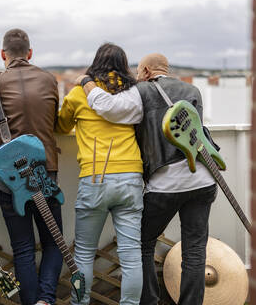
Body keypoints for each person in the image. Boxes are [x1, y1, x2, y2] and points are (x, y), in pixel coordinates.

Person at [79, 53, 217, 305]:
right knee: (194, 249)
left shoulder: (141, 91)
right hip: (204, 179)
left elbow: (109, 109)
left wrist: (87, 82)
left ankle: (149, 301)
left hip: (166, 182)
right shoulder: (192, 89)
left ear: (144, 70)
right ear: (167, 69)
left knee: (141, 244)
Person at [56, 43, 144, 305]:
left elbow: (61, 126)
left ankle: (79, 302)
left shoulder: (79, 94)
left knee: (83, 254)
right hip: (130, 176)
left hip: (95, 177)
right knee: (131, 255)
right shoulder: (132, 92)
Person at [0, 28, 62, 305]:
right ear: (30, 53)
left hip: (8, 177)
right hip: (45, 171)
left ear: (3, 54)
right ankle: (46, 300)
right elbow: (52, 121)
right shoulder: (50, 80)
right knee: (53, 243)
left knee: (23, 247)